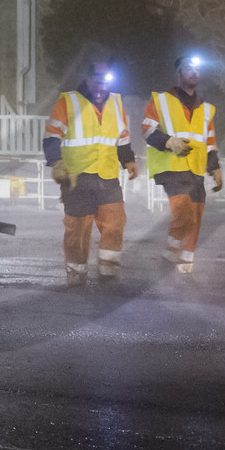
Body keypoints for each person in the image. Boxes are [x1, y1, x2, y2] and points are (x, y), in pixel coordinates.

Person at [44, 60, 138, 285]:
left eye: (106, 79)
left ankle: (109, 273)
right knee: (77, 230)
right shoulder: (68, 102)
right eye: (97, 78)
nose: (102, 83)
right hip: (76, 178)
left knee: (115, 223)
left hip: (107, 176)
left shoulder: (116, 103)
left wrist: (128, 160)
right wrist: (56, 163)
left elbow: (122, 138)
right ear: (87, 78)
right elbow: (51, 137)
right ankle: (76, 276)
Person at [142, 56, 224, 274]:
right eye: (189, 68)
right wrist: (170, 142)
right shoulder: (160, 100)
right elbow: (148, 130)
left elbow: (209, 142)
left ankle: (185, 266)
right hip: (171, 167)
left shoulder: (206, 109)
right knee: (185, 213)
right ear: (178, 73)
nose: (194, 72)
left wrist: (214, 168)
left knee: (195, 216)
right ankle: (170, 254)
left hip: (195, 168)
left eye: (197, 68)